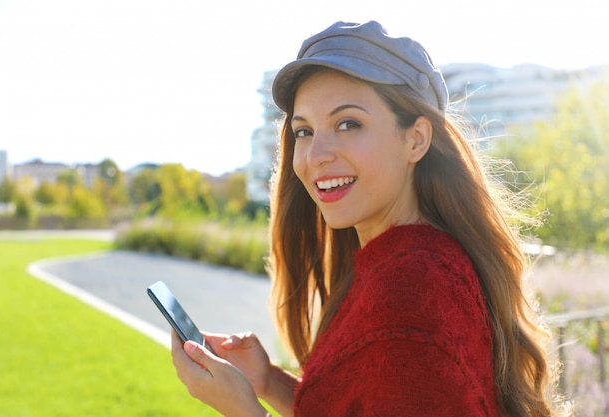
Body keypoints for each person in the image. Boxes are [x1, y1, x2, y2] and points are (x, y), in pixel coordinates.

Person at [171, 21, 566, 417]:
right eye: (304, 130)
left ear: (416, 139)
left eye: (348, 124)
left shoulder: (411, 287)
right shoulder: (396, 266)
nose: (315, 155)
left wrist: (243, 410)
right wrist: (269, 381)